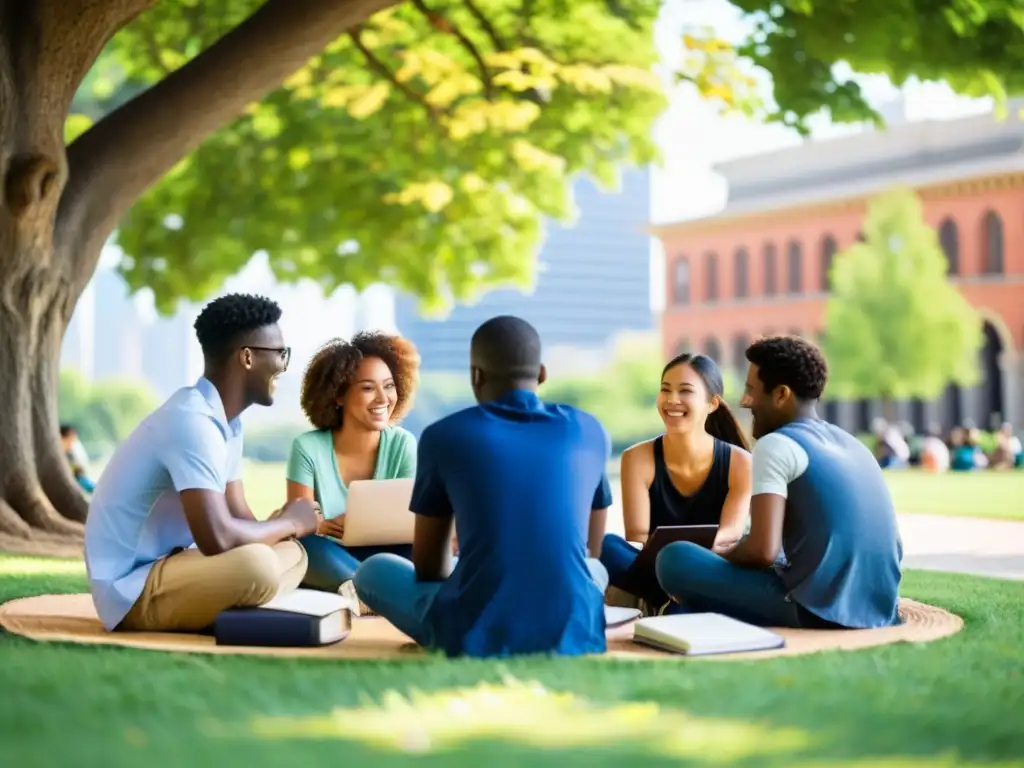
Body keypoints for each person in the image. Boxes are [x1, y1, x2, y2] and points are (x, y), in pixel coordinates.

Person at [353, 315, 613, 658]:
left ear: (476, 375)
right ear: (542, 374)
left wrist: (472, 563)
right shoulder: (590, 431)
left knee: (372, 570)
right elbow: (589, 551)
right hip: (574, 628)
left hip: (471, 630)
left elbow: (430, 567)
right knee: (596, 569)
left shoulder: (444, 436)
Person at [84, 294, 322, 633]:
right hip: (133, 589)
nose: (284, 367)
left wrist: (279, 529)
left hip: (180, 565)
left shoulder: (228, 423)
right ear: (248, 357)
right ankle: (239, 604)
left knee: (293, 553)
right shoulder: (192, 421)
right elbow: (218, 538)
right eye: (280, 354)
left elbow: (238, 515)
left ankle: (230, 607)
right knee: (258, 565)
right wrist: (290, 523)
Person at [655, 335, 903, 630]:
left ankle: (684, 610)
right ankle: (690, 610)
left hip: (815, 609)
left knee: (674, 558)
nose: (745, 402)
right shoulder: (852, 444)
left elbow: (762, 551)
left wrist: (718, 554)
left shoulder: (776, 445)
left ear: (781, 394)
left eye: (751, 390)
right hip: (880, 606)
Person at [599, 352, 752, 610]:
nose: (672, 400)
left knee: (698, 580)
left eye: (685, 391)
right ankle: (666, 601)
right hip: (653, 566)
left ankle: (662, 602)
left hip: (707, 565)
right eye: (665, 389)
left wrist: (684, 557)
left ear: (712, 403)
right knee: (608, 547)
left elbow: (731, 534)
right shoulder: (636, 458)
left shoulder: (741, 462)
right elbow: (637, 534)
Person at [285, 332, 420, 593]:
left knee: (425, 549)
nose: (383, 399)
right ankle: (379, 591)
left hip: (390, 555)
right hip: (331, 554)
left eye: (389, 385)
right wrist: (320, 524)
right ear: (338, 396)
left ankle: (361, 590)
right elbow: (297, 519)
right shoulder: (307, 447)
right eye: (368, 388)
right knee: (304, 547)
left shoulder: (403, 443)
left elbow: (411, 520)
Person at [60, 424, 95, 493]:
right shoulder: (58, 454)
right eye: (70, 439)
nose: (72, 443)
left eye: (73, 439)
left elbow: (80, 470)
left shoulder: (71, 453)